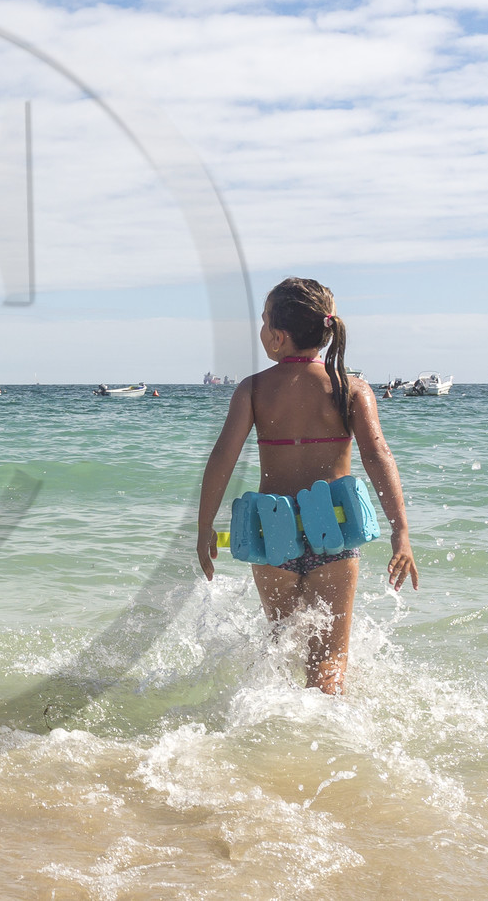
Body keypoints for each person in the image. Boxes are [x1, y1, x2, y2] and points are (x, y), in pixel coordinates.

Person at [196, 277, 417, 694]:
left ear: (278, 337)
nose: (260, 330)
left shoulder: (254, 389)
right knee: (330, 660)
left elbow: (223, 456)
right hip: (332, 536)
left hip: (272, 536)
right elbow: (378, 457)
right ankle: (326, 741)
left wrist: (204, 527)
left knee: (280, 649)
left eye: (263, 322)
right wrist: (400, 531)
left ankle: (272, 736)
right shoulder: (351, 389)